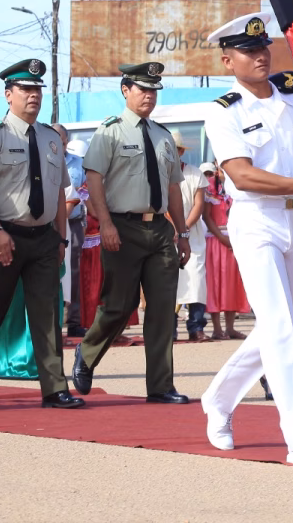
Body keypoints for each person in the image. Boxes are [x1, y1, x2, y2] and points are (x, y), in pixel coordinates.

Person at [201, 12, 293, 466]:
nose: (259, 56)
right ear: (228, 61)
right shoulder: (224, 112)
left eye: (262, 47)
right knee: (280, 328)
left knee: (283, 327)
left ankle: (218, 400)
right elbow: (241, 176)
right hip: (255, 222)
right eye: (247, 51)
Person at [0, 59, 83, 409]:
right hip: (4, 233)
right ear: (9, 95)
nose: (33, 96)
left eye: (37, 89)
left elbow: (56, 192)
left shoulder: (51, 139)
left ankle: (54, 387)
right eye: (25, 89)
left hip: (43, 239)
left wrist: (61, 238)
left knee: (47, 313)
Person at [71, 62, 192, 403]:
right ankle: (87, 353)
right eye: (143, 89)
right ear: (126, 90)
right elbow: (93, 178)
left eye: (153, 90)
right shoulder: (110, 131)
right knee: (120, 306)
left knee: (162, 309)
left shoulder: (163, 136)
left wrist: (182, 234)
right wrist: (105, 222)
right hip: (122, 228)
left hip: (159, 230)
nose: (149, 96)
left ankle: (160, 385)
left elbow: (172, 190)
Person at [201, 161, 250, 339]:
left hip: (236, 239)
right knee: (215, 283)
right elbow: (206, 216)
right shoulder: (209, 187)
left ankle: (230, 327)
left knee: (232, 283)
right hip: (216, 239)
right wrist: (221, 238)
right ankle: (216, 328)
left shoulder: (236, 185)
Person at [172, 133, 209, 341]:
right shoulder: (159, 173)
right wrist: (173, 228)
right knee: (169, 283)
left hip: (192, 236)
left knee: (196, 280)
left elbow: (199, 205)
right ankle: (169, 330)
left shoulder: (195, 174)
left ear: (181, 151)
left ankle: (196, 327)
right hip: (167, 235)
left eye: (175, 149)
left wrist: (183, 227)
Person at [54, 124, 88, 337]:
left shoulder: (79, 165)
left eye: (61, 139)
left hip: (73, 225)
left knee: (73, 273)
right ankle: (51, 320)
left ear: (67, 141)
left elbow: (85, 192)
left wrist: (63, 216)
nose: (58, 143)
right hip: (45, 226)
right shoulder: (40, 160)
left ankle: (74, 322)